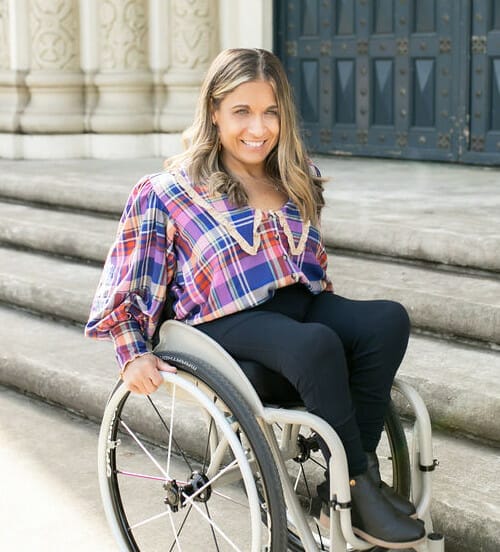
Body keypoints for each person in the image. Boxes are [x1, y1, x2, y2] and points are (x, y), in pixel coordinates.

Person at [85, 48, 425, 548]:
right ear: (214, 112)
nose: (258, 128)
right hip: (220, 323)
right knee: (315, 346)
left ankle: (357, 478)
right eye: (242, 111)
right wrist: (130, 350)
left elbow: (312, 269)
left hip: (296, 303)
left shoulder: (293, 174)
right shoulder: (168, 191)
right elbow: (129, 278)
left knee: (386, 321)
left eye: (270, 112)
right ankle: (353, 490)